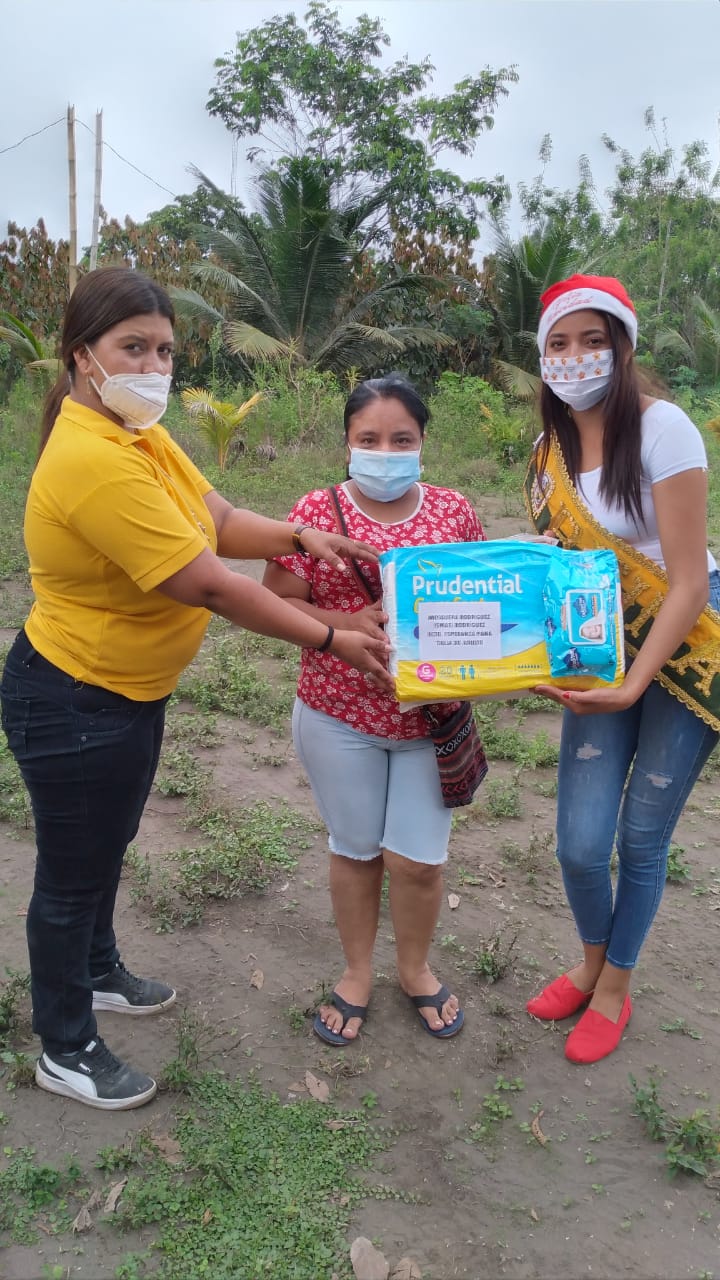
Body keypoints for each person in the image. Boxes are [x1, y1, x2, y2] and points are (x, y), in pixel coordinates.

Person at [0, 267, 394, 1111]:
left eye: (165, 350)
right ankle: (65, 1046)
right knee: (71, 875)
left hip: (126, 693)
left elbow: (215, 520)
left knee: (106, 844)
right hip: (75, 698)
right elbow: (210, 583)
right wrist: (333, 636)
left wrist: (299, 536)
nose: (154, 367)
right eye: (132, 348)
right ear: (81, 355)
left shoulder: (137, 433)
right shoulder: (90, 457)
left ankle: (97, 968)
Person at [523, 274, 720, 1065]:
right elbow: (558, 570)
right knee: (579, 843)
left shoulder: (665, 429)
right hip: (599, 646)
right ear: (543, 358)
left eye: (593, 340)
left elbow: (688, 581)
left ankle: (613, 985)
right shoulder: (548, 452)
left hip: (685, 643)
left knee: (641, 836)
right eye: (559, 344)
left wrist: (636, 682)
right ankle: (591, 959)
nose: (575, 357)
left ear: (622, 347)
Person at [262, 374, 485, 1045]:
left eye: (401, 439)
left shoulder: (454, 512)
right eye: (369, 438)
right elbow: (277, 603)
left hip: (429, 721)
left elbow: (485, 604)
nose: (385, 452)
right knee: (355, 852)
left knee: (419, 863)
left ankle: (414, 969)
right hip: (338, 716)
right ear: (347, 444)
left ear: (423, 443)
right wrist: (346, 623)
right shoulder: (313, 514)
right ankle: (357, 971)